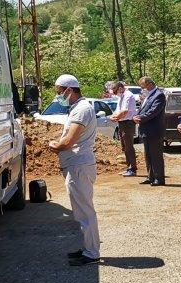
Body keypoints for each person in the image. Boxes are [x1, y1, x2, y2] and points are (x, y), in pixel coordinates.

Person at [46, 74, 101, 267]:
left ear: (69, 90)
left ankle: (92, 253)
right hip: (76, 164)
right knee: (81, 211)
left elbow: (68, 142)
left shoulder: (82, 110)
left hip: (78, 164)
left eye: (59, 92)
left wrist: (55, 145)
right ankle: (88, 248)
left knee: (85, 211)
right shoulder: (78, 108)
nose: (58, 96)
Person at [134, 77, 166, 186]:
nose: (142, 89)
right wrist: (136, 116)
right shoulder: (148, 95)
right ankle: (151, 176)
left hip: (154, 130)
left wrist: (140, 118)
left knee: (156, 155)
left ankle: (159, 178)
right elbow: (142, 109)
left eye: (143, 86)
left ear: (149, 84)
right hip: (146, 130)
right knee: (148, 155)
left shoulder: (159, 95)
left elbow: (153, 111)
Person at [109, 80, 139, 178]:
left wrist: (116, 118)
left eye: (115, 91)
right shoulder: (121, 97)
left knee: (129, 145)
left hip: (128, 122)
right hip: (122, 122)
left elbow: (125, 111)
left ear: (120, 88)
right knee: (124, 146)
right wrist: (112, 116)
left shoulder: (128, 95)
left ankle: (133, 168)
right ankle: (129, 167)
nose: (115, 94)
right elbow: (118, 110)